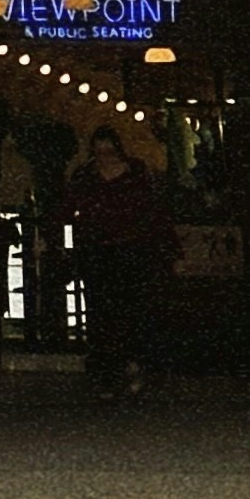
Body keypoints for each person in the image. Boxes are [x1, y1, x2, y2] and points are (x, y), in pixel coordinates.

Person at [66, 126, 166, 397]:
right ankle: (107, 373)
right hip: (97, 252)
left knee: (130, 310)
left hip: (130, 250)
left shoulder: (135, 174)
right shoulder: (86, 176)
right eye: (100, 152)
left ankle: (130, 363)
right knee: (100, 314)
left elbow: (150, 212)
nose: (105, 157)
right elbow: (72, 210)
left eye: (109, 151)